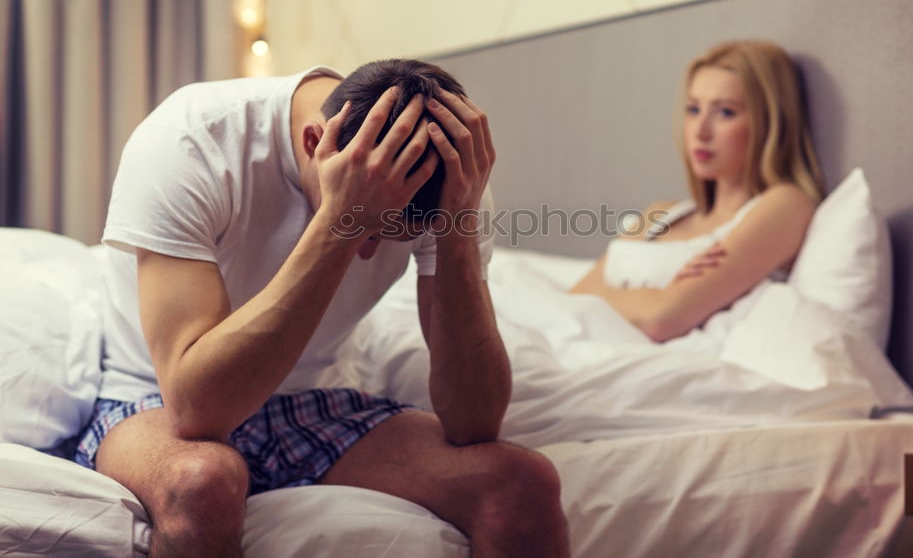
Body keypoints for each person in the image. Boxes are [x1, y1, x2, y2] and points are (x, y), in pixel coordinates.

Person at [74, 58, 570, 557]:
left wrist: (457, 227)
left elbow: (474, 424)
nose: (370, 251)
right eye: (369, 230)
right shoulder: (192, 139)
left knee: (522, 481)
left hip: (311, 399)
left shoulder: (448, 175)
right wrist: (340, 224)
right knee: (202, 481)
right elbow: (196, 410)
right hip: (151, 399)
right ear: (316, 144)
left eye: (387, 235)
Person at [571, 40, 825, 342]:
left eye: (725, 112)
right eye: (693, 109)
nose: (700, 131)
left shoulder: (785, 205)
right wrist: (657, 294)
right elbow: (574, 296)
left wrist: (622, 297)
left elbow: (660, 319)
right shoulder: (658, 213)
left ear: (770, 123)